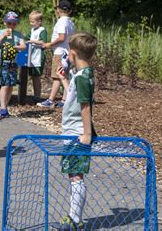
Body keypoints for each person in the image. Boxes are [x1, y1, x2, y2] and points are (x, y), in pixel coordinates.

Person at [54, 32, 98, 230]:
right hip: (72, 130)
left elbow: (85, 106)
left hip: (76, 132)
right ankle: (74, 217)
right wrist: (64, 80)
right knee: (73, 174)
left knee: (76, 175)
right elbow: (72, 96)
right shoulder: (82, 74)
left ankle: (75, 219)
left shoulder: (82, 77)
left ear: (73, 53)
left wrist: (87, 135)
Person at [38, 0, 75, 108]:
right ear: (70, 11)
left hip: (60, 52)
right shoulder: (71, 23)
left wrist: (49, 44)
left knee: (57, 76)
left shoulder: (61, 22)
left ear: (59, 10)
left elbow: (61, 37)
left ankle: (50, 100)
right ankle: (64, 100)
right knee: (64, 76)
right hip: (67, 52)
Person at [0, 11, 26, 118]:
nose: (11, 25)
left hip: (12, 61)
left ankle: (5, 106)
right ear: (5, 23)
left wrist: (14, 47)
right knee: (4, 84)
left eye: (14, 23)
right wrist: (2, 36)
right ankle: (2, 108)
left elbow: (23, 46)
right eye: (9, 23)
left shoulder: (18, 34)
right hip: (2, 61)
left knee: (11, 84)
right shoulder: (1, 31)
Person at [26, 10, 47, 102]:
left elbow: (43, 42)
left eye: (33, 22)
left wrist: (33, 41)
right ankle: (34, 95)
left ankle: (37, 96)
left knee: (36, 76)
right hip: (32, 56)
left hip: (38, 56)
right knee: (32, 76)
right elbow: (27, 38)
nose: (31, 23)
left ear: (39, 21)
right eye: (30, 21)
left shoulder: (42, 30)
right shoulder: (32, 30)